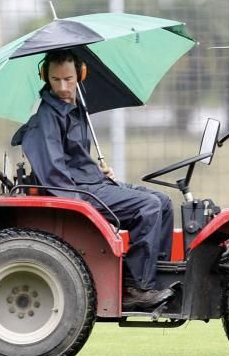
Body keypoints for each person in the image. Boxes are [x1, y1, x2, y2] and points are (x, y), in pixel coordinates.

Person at [12, 48, 175, 311]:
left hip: (92, 183)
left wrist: (99, 173)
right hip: (78, 193)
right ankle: (135, 288)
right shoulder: (45, 119)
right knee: (148, 206)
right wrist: (85, 208)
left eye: (68, 79)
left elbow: (73, 160)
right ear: (45, 77)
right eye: (56, 80)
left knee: (163, 201)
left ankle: (158, 278)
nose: (63, 87)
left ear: (81, 74)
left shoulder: (75, 110)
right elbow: (55, 176)